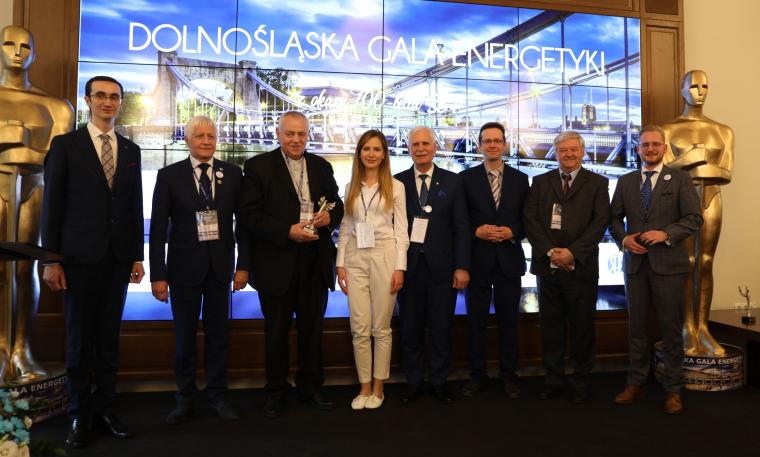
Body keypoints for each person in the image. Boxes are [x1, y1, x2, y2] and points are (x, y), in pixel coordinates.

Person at [41, 75, 144, 448]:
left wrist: (137, 255)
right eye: (100, 95)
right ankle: (78, 414)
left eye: (114, 97)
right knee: (79, 340)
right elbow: (52, 205)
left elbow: (133, 206)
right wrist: (51, 260)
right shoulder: (65, 146)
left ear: (120, 103)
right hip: (77, 259)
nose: (107, 102)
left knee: (109, 340)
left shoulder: (130, 150)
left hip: (117, 259)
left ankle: (105, 409)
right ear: (88, 100)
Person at [240, 111, 343, 418]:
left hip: (315, 263)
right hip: (276, 262)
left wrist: (330, 217)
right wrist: (287, 231)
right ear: (278, 134)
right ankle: (276, 390)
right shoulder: (257, 166)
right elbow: (249, 215)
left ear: (308, 135)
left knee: (313, 330)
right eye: (290, 134)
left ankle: (311, 386)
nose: (296, 140)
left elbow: (337, 204)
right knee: (276, 332)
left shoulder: (321, 166)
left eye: (301, 134)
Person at [149, 115, 249, 424]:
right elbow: (157, 229)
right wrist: (158, 275)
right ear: (188, 140)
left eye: (211, 136)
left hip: (220, 269)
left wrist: (243, 265)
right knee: (184, 339)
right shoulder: (169, 176)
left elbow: (243, 225)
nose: (206, 141)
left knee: (219, 337)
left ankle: (218, 395)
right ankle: (185, 397)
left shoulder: (233, 174)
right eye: (200, 136)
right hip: (183, 270)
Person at [610, 124, 702, 415]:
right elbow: (613, 219)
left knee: (671, 330)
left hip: (670, 266)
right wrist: (623, 239)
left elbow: (694, 218)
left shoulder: (680, 179)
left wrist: (666, 234)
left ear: (664, 148)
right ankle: (636, 383)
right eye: (645, 145)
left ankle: (673, 389)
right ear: (638, 149)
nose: (650, 149)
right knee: (637, 329)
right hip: (636, 266)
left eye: (655, 144)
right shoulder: (625, 181)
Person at [0, 25, 74, 383]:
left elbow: (57, 162)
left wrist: (19, 145)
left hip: (34, 188)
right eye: (9, 44)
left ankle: (21, 348)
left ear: (35, 52)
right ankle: (1, 348)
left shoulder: (56, 107)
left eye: (25, 46)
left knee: (24, 270)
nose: (17, 52)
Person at [523, 131, 610, 403]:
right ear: (556, 153)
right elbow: (530, 220)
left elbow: (600, 222)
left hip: (581, 269)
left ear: (582, 152)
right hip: (548, 268)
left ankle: (581, 382)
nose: (569, 154)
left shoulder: (598, 183)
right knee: (551, 329)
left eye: (574, 149)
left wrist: (572, 253)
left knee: (583, 329)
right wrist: (551, 252)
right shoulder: (540, 182)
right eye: (563, 150)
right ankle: (553, 381)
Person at [394, 126, 469, 404]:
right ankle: (413, 381)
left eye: (426, 143)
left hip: (443, 269)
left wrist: (462, 266)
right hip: (409, 268)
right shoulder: (397, 182)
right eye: (415, 144)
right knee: (410, 329)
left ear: (435, 147)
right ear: (409, 149)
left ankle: (439, 381)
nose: (421, 149)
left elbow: (461, 227)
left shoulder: (453, 181)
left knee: (441, 328)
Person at [662, 70, 734, 357]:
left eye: (704, 86)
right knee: (686, 261)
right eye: (693, 86)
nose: (699, 91)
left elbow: (726, 172)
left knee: (705, 262)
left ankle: (703, 327)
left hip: (711, 197)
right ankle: (687, 327)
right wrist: (691, 159)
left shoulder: (723, 131)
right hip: (680, 201)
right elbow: (663, 170)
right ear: (681, 89)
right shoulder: (667, 129)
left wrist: (693, 163)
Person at [336, 129, 408, 409]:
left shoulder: (396, 186)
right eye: (366, 149)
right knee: (359, 328)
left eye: (377, 149)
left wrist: (400, 267)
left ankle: (378, 388)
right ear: (359, 153)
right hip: (356, 257)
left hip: (384, 256)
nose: (371, 154)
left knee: (381, 328)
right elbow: (345, 227)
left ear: (384, 154)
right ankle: (363, 387)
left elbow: (401, 232)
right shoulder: (350, 186)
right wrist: (340, 263)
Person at [459, 122, 529, 398]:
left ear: (504, 144)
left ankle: (509, 376)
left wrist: (514, 232)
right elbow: (460, 220)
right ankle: (477, 375)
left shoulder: (521, 179)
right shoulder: (465, 179)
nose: (492, 145)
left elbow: (528, 220)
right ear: (479, 146)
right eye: (487, 141)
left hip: (509, 261)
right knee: (476, 323)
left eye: (497, 140)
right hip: (477, 262)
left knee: (509, 323)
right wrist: (476, 231)